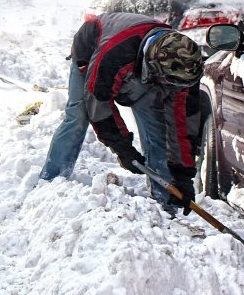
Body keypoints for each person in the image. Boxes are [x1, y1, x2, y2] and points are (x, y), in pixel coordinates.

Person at [38, 13, 208, 213]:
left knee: (157, 131)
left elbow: (182, 126)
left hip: (142, 69)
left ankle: (166, 202)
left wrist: (183, 174)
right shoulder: (114, 56)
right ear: (155, 69)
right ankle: (50, 181)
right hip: (92, 52)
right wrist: (123, 148)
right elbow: (99, 107)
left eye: (176, 86)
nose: (173, 89)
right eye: (169, 84)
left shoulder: (184, 69)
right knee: (78, 116)